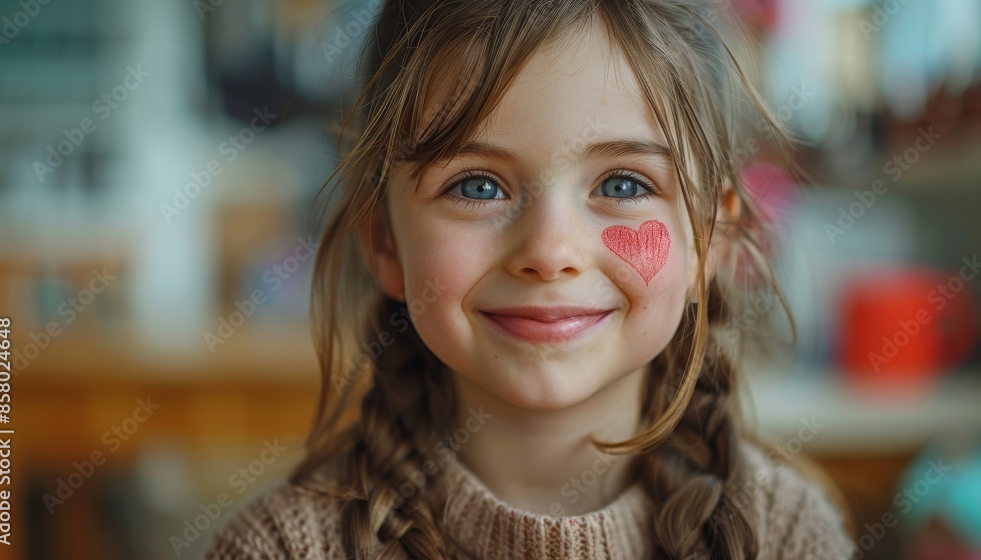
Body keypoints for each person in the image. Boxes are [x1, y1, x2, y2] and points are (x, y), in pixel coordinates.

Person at [206, 0, 857, 558]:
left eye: (624, 184)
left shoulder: (787, 538)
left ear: (710, 241)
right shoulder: (281, 548)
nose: (549, 251)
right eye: (478, 185)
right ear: (384, 240)